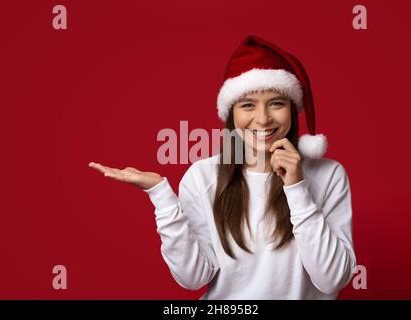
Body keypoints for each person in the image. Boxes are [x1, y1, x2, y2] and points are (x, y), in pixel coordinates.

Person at [89, 35, 357, 299]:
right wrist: (160, 195)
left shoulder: (328, 175)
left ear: (292, 108)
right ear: (232, 113)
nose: (262, 119)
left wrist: (297, 188)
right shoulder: (203, 177)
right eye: (248, 105)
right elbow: (193, 278)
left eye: (276, 103)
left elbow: (332, 278)